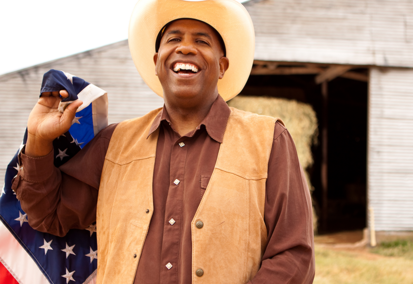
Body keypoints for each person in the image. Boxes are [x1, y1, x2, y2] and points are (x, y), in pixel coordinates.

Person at [12, 0, 315, 283]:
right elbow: (47, 215)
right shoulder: (113, 143)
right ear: (157, 62)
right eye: (173, 39)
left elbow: (293, 255)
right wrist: (38, 140)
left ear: (222, 66)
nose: (185, 48)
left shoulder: (269, 140)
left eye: (201, 41)